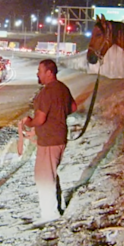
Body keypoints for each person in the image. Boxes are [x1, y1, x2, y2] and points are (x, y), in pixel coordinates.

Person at [21, 59, 77, 222]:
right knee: (49, 174)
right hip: (59, 137)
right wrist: (58, 115)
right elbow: (73, 108)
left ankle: (50, 214)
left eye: (40, 70)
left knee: (44, 177)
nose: (37, 74)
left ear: (49, 72)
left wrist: (28, 122)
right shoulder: (63, 88)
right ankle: (55, 207)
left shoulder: (46, 92)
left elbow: (40, 119)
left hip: (49, 140)